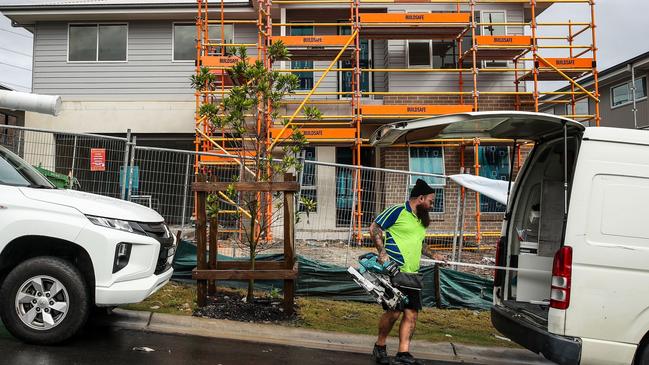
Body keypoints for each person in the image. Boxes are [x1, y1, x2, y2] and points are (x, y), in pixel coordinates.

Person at [369, 178, 435, 365]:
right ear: (420, 198)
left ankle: (403, 353)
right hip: (394, 272)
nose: (432, 205)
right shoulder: (398, 211)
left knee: (411, 313)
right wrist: (382, 253)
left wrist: (434, 255)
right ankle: (380, 346)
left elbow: (420, 243)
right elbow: (374, 228)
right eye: (430, 201)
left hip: (413, 274)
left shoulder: (421, 220)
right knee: (394, 312)